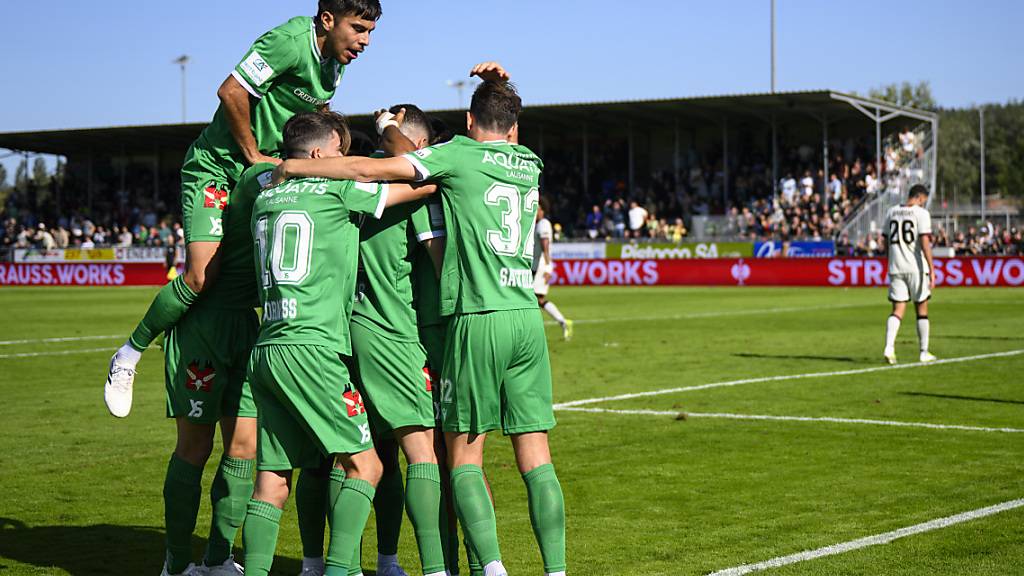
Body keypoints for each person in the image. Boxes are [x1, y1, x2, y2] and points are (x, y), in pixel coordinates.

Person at [271, 69, 566, 576]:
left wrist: (298, 166)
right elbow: (502, 126)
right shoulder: (529, 162)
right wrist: (505, 84)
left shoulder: (456, 156)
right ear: (514, 127)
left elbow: (379, 166)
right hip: (526, 317)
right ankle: (556, 570)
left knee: (460, 459)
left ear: (470, 121)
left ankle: (486, 569)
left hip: (475, 317)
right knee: (536, 455)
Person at [104, 0, 382, 418]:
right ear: (327, 20)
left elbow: (315, 116)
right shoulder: (289, 41)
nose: (364, 41)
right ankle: (129, 354)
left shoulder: (334, 67)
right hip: (219, 168)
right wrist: (252, 153)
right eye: (358, 28)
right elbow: (231, 90)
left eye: (370, 32)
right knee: (202, 275)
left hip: (265, 173)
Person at [242, 111, 435, 576]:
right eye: (338, 151)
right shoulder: (333, 188)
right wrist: (389, 133)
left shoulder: (261, 194)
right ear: (316, 155)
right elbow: (425, 178)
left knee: (272, 482)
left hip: (267, 347)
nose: (345, 159)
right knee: (366, 468)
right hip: (314, 347)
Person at [883, 184, 936, 365]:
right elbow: (924, 242)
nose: (923, 204)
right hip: (916, 268)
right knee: (921, 309)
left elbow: (886, 241)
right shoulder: (921, 214)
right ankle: (924, 352)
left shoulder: (891, 212)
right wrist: (932, 269)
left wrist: (889, 262)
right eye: (924, 201)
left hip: (896, 266)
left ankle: (889, 348)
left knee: (898, 309)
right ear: (920, 198)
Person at [533, 198, 572, 340]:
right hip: (536, 266)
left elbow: (545, 245)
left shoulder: (543, 224)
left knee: (535, 299)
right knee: (536, 300)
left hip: (541, 268)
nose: (533, 210)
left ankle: (562, 322)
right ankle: (563, 322)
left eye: (536, 207)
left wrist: (548, 267)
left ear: (542, 209)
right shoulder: (537, 224)